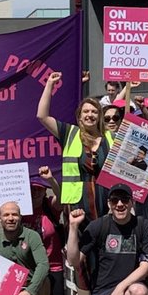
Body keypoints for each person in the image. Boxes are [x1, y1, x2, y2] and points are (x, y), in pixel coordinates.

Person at [37, 72, 113, 219]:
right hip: (77, 207)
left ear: (99, 117)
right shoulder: (69, 133)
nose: (90, 115)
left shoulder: (111, 137)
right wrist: (49, 85)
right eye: (86, 111)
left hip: (107, 205)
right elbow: (42, 116)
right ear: (79, 116)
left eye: (94, 112)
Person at [22, 167, 65, 295]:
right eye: (32, 189)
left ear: (45, 192)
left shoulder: (49, 207)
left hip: (53, 267)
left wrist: (51, 180)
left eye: (39, 189)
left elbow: (61, 198)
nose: (35, 192)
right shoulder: (19, 210)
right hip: (29, 270)